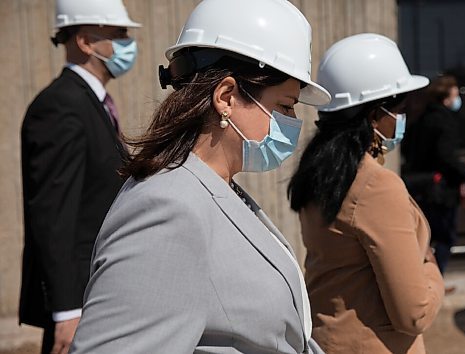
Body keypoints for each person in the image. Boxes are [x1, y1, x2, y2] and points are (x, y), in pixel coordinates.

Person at [69, 0, 330, 353]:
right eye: (285, 105)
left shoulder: (214, 187)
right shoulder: (168, 207)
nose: (293, 121)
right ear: (226, 97)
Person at [288, 33, 445, 353]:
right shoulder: (375, 186)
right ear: (374, 114)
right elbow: (412, 314)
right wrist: (431, 268)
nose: (403, 118)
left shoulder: (323, 173)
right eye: (399, 109)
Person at [19, 1, 140, 353]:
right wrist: (67, 311)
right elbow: (54, 217)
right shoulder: (60, 106)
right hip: (80, 303)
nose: (127, 43)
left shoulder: (92, 102)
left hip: (101, 292)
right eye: (118, 35)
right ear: (85, 41)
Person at [401, 75, 465, 276]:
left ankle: (422, 278)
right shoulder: (445, 121)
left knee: (423, 236)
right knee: (445, 237)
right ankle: (434, 279)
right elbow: (446, 156)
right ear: (446, 97)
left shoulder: (422, 118)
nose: (457, 98)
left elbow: (408, 149)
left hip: (419, 186)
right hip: (440, 190)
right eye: (455, 94)